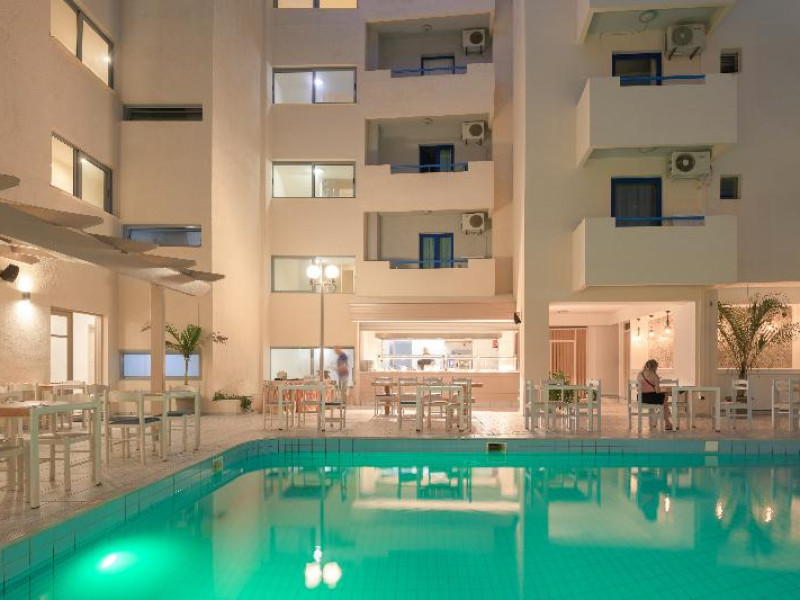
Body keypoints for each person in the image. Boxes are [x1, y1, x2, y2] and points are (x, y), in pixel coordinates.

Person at [637, 359, 673, 430]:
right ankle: (667, 422)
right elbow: (657, 391)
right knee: (665, 398)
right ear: (655, 367)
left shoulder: (639, 374)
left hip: (641, 398)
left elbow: (638, 389)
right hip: (652, 398)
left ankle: (665, 418)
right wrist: (662, 389)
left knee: (664, 401)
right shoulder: (654, 376)